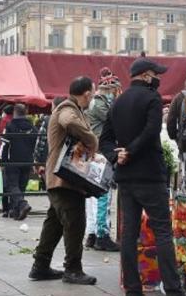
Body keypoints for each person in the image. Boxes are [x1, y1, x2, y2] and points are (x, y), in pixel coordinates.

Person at [100, 58, 186, 296]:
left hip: (126, 177)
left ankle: (132, 288)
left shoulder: (117, 102)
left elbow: (104, 139)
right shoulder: (152, 99)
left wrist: (115, 155)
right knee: (162, 231)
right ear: (147, 75)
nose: (157, 78)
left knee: (129, 233)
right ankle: (172, 288)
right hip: (149, 174)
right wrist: (131, 151)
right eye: (155, 74)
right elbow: (151, 132)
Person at [29, 77, 98, 285]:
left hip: (60, 179)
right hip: (64, 180)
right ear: (86, 93)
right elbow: (69, 122)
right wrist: (92, 139)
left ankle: (40, 266)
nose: (93, 97)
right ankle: (73, 270)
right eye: (92, 93)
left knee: (55, 223)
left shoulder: (73, 108)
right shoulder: (68, 108)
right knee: (75, 222)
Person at [84, 68, 121, 252]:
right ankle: (102, 234)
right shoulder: (100, 105)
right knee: (102, 195)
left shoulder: (95, 103)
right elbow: (114, 121)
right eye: (116, 91)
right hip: (101, 154)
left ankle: (92, 233)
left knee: (92, 197)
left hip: (94, 152)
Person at [1, 104, 37, 221]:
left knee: (12, 185)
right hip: (27, 160)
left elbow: (4, 145)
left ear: (15, 112)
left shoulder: (10, 126)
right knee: (21, 186)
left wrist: (3, 160)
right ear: (25, 112)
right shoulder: (32, 127)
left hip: (13, 160)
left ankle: (22, 204)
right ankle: (16, 211)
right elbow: (35, 145)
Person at [33, 97, 66, 191]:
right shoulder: (70, 119)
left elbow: (40, 141)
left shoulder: (48, 120)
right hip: (64, 160)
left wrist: (36, 159)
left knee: (51, 186)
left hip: (49, 158)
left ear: (54, 106)